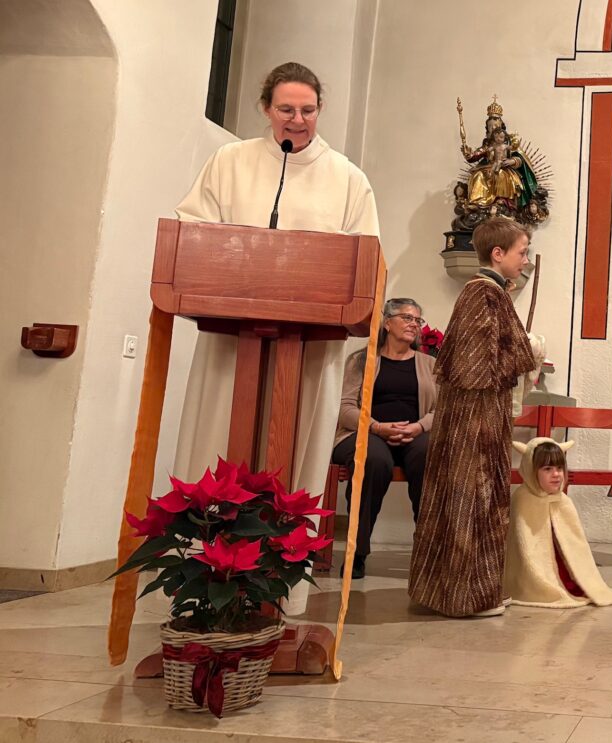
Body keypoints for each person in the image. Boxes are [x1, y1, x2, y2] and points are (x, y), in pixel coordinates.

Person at [173, 62, 379, 612]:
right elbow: (194, 231)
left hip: (309, 346)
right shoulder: (230, 162)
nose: (297, 120)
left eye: (308, 110)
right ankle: (208, 588)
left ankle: (277, 594)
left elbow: (366, 259)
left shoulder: (348, 178)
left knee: (293, 457)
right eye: (286, 109)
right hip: (230, 339)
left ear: (320, 110)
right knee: (220, 444)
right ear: (266, 108)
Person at [408, 217, 540, 618]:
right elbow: (476, 365)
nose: (526, 260)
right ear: (497, 254)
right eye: (521, 252)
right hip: (475, 418)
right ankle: (465, 598)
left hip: (480, 412)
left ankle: (468, 592)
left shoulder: (490, 292)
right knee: (473, 498)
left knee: (476, 499)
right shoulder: (482, 293)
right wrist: (526, 351)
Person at [333, 298, 435, 580]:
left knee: (429, 455)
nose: (414, 324)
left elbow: (444, 410)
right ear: (387, 323)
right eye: (407, 318)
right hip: (366, 433)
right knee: (373, 460)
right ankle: (357, 552)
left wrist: (419, 427)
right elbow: (344, 407)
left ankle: (428, 553)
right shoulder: (362, 360)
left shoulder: (430, 364)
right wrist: (377, 427)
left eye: (418, 320)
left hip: (415, 434)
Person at [503, 438, 612, 609]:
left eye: (559, 468)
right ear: (530, 470)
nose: (556, 474)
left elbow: (577, 547)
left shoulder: (563, 501)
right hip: (540, 574)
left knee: (585, 586)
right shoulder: (522, 500)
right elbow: (525, 551)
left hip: (564, 570)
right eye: (547, 469)